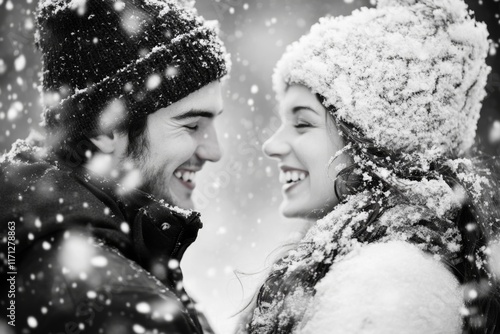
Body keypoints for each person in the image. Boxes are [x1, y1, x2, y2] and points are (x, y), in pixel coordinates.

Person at [241, 0, 500, 333]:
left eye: (302, 123)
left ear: (371, 142)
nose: (271, 145)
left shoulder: (386, 285)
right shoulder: (379, 265)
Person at [0, 0, 230, 333]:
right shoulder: (121, 304)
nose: (215, 151)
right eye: (192, 125)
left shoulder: (39, 238)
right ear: (108, 129)